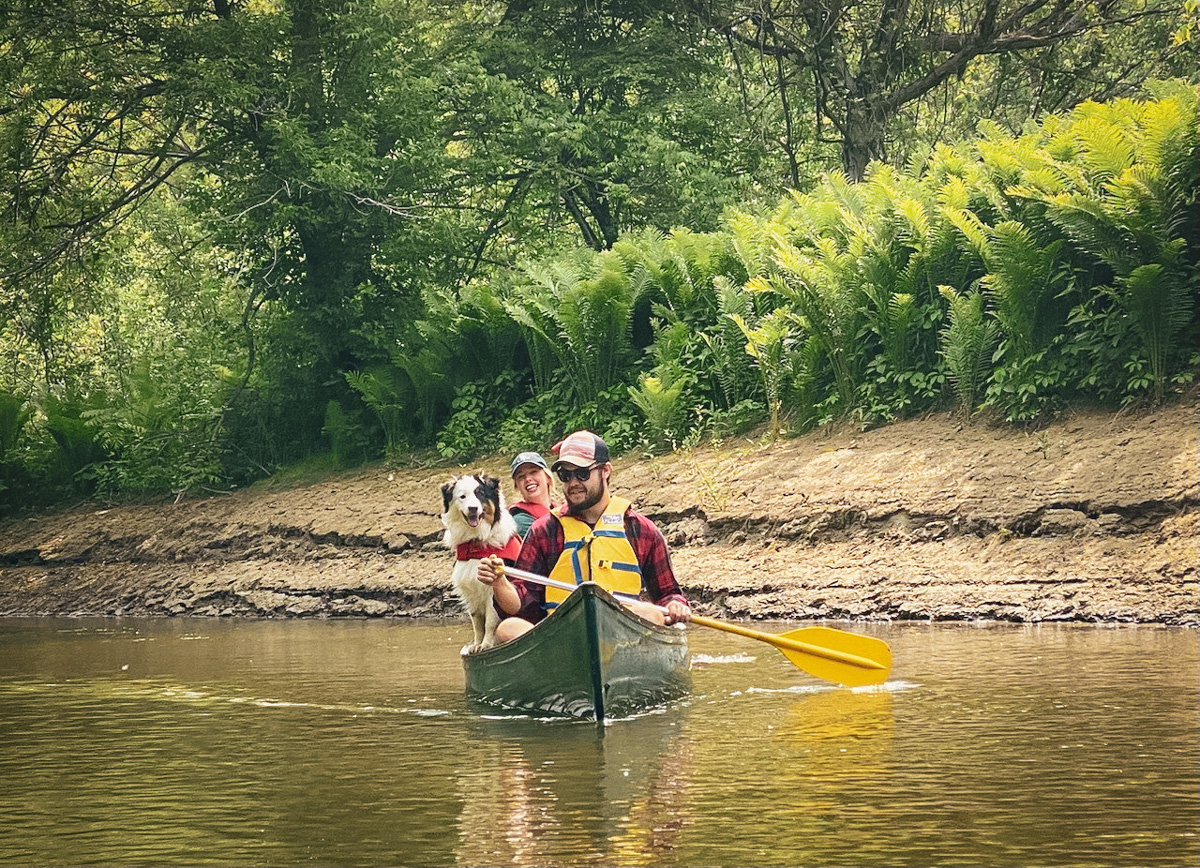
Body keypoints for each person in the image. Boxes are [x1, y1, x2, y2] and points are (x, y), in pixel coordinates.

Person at [478, 430, 692, 643]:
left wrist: (675, 604)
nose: (573, 483)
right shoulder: (544, 531)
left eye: (582, 473)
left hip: (622, 636)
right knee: (508, 628)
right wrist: (499, 583)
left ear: (605, 471)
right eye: (565, 475)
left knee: (650, 613)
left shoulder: (641, 530)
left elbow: (668, 593)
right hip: (562, 639)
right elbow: (520, 605)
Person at [507, 451, 558, 539]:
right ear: (517, 486)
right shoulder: (520, 521)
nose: (528, 479)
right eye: (521, 477)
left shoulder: (560, 509)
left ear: (547, 477)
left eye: (533, 472)